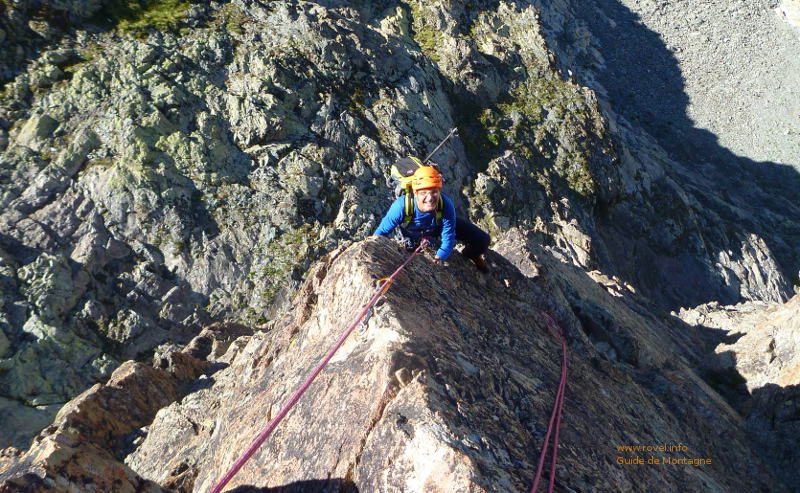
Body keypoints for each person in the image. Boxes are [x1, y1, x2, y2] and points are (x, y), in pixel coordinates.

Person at [373, 165, 490, 270]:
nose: (429, 198)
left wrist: (439, 258)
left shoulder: (445, 205)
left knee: (482, 240)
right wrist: (374, 254)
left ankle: (471, 255)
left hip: (437, 226)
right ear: (415, 193)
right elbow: (381, 232)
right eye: (423, 193)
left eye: (434, 192)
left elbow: (448, 237)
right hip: (413, 234)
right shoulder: (401, 206)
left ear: (439, 191)